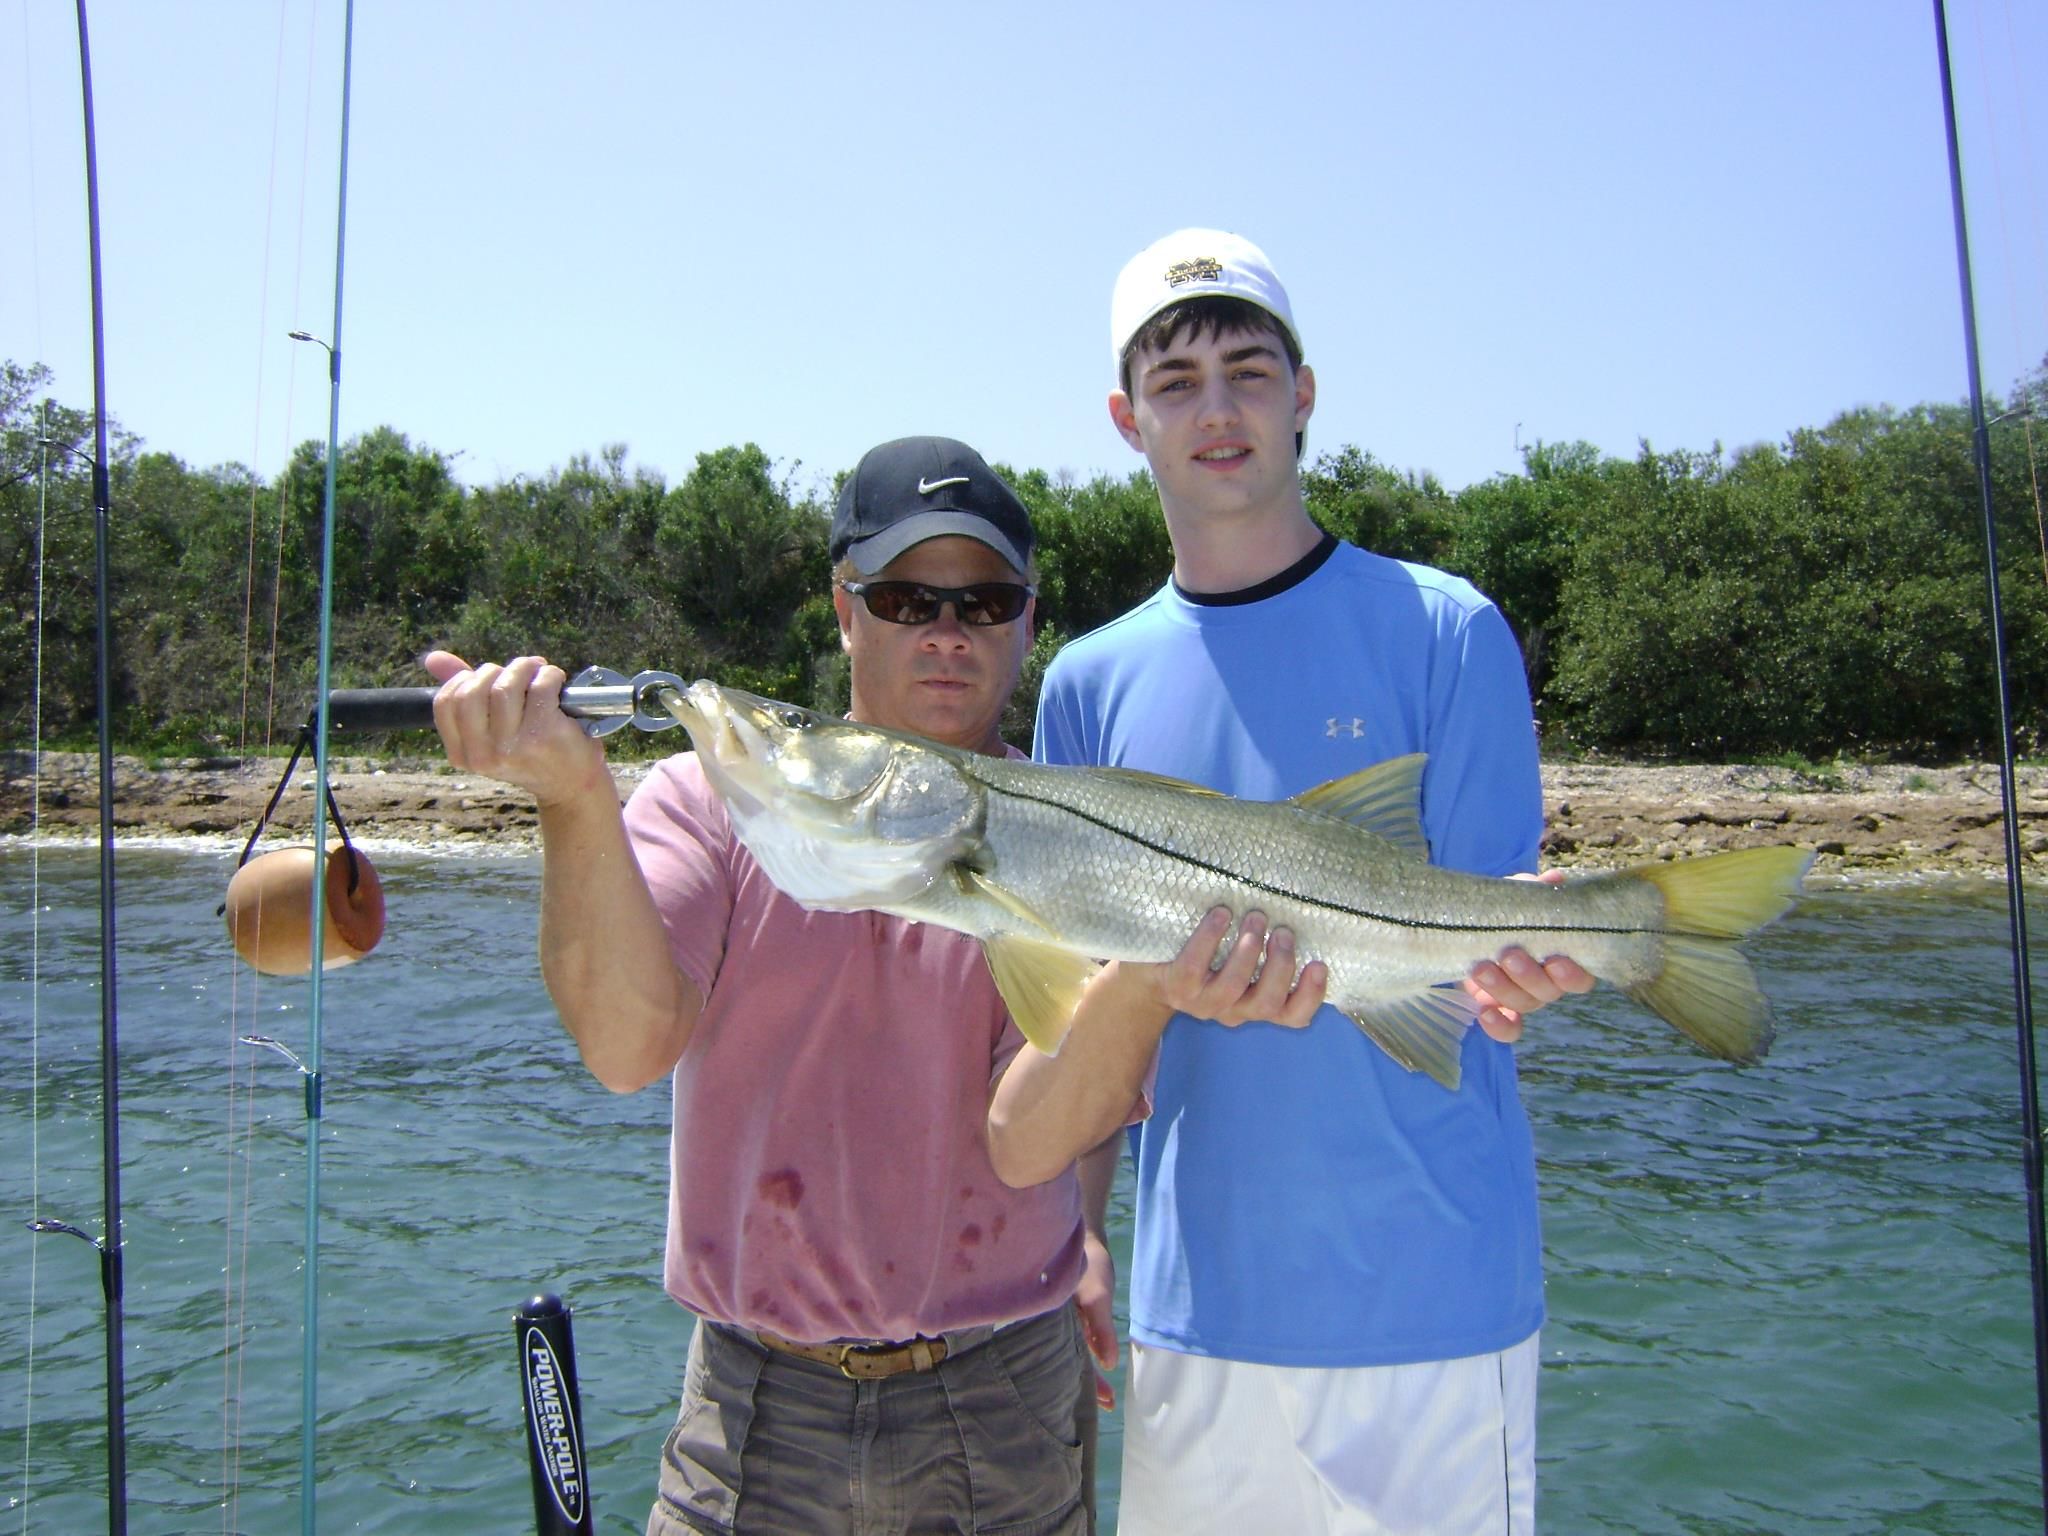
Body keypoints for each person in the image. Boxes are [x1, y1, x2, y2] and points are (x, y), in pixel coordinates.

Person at [424, 436, 1139, 1536]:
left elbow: (1033, 1133)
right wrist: (572, 800)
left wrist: (1157, 979)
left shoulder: (1074, 835)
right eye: (906, 598)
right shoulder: (704, 799)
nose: (947, 631)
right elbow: (625, 1046)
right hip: (756, 1407)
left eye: (985, 600)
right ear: (843, 609)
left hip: (1005, 1401)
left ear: (1029, 621)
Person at [994, 230, 1594, 1536]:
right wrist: (1079, 1233)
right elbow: (1083, 1019)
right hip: (1200, 1316)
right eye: (1177, 380)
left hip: (1439, 1305)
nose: (1217, 410)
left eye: (1249, 371)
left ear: (1305, 394)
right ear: (1125, 418)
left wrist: (1530, 973)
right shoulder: (1085, 686)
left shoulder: (1447, 629)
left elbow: (1484, 954)